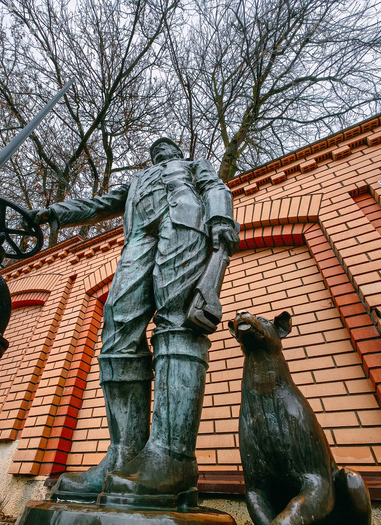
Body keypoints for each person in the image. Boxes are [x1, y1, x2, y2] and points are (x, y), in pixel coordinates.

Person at [30, 137, 238, 506]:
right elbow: (100, 205)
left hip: (186, 221)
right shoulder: (137, 182)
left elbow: (215, 186)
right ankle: (124, 455)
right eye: (154, 150)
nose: (160, 152)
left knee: (178, 320)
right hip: (138, 239)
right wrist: (56, 211)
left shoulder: (192, 165)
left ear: (176, 152)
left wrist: (221, 218)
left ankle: (172, 457)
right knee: (118, 325)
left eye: (165, 147)